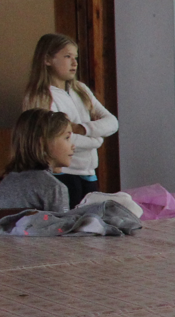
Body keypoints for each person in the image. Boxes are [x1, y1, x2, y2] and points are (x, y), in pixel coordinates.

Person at [23, 33, 118, 209]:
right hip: (62, 173)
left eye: (76, 57)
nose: (74, 63)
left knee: (92, 220)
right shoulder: (41, 96)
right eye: (67, 56)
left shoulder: (80, 89)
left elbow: (112, 122)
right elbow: (55, 139)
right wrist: (96, 140)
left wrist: (82, 129)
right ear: (47, 60)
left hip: (88, 172)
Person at [0, 109, 74, 212]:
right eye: (67, 137)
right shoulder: (54, 188)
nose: (73, 146)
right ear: (43, 143)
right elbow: (57, 223)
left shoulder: (5, 182)